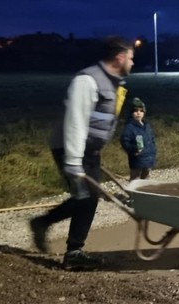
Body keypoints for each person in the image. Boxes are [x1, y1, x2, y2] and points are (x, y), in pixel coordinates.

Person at [29, 36, 134, 271]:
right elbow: (75, 121)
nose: (133, 62)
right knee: (85, 196)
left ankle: (72, 249)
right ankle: (46, 226)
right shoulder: (87, 81)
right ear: (119, 57)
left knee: (89, 197)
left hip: (88, 149)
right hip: (69, 147)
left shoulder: (113, 82)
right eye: (131, 57)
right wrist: (74, 162)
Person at [120, 97, 157, 181]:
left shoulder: (146, 125)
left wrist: (153, 151)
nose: (138, 113)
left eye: (141, 111)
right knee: (135, 179)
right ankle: (133, 194)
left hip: (148, 158)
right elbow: (124, 141)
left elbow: (152, 139)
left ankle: (144, 193)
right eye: (136, 111)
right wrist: (133, 149)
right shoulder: (129, 127)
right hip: (137, 159)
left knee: (146, 179)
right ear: (131, 113)